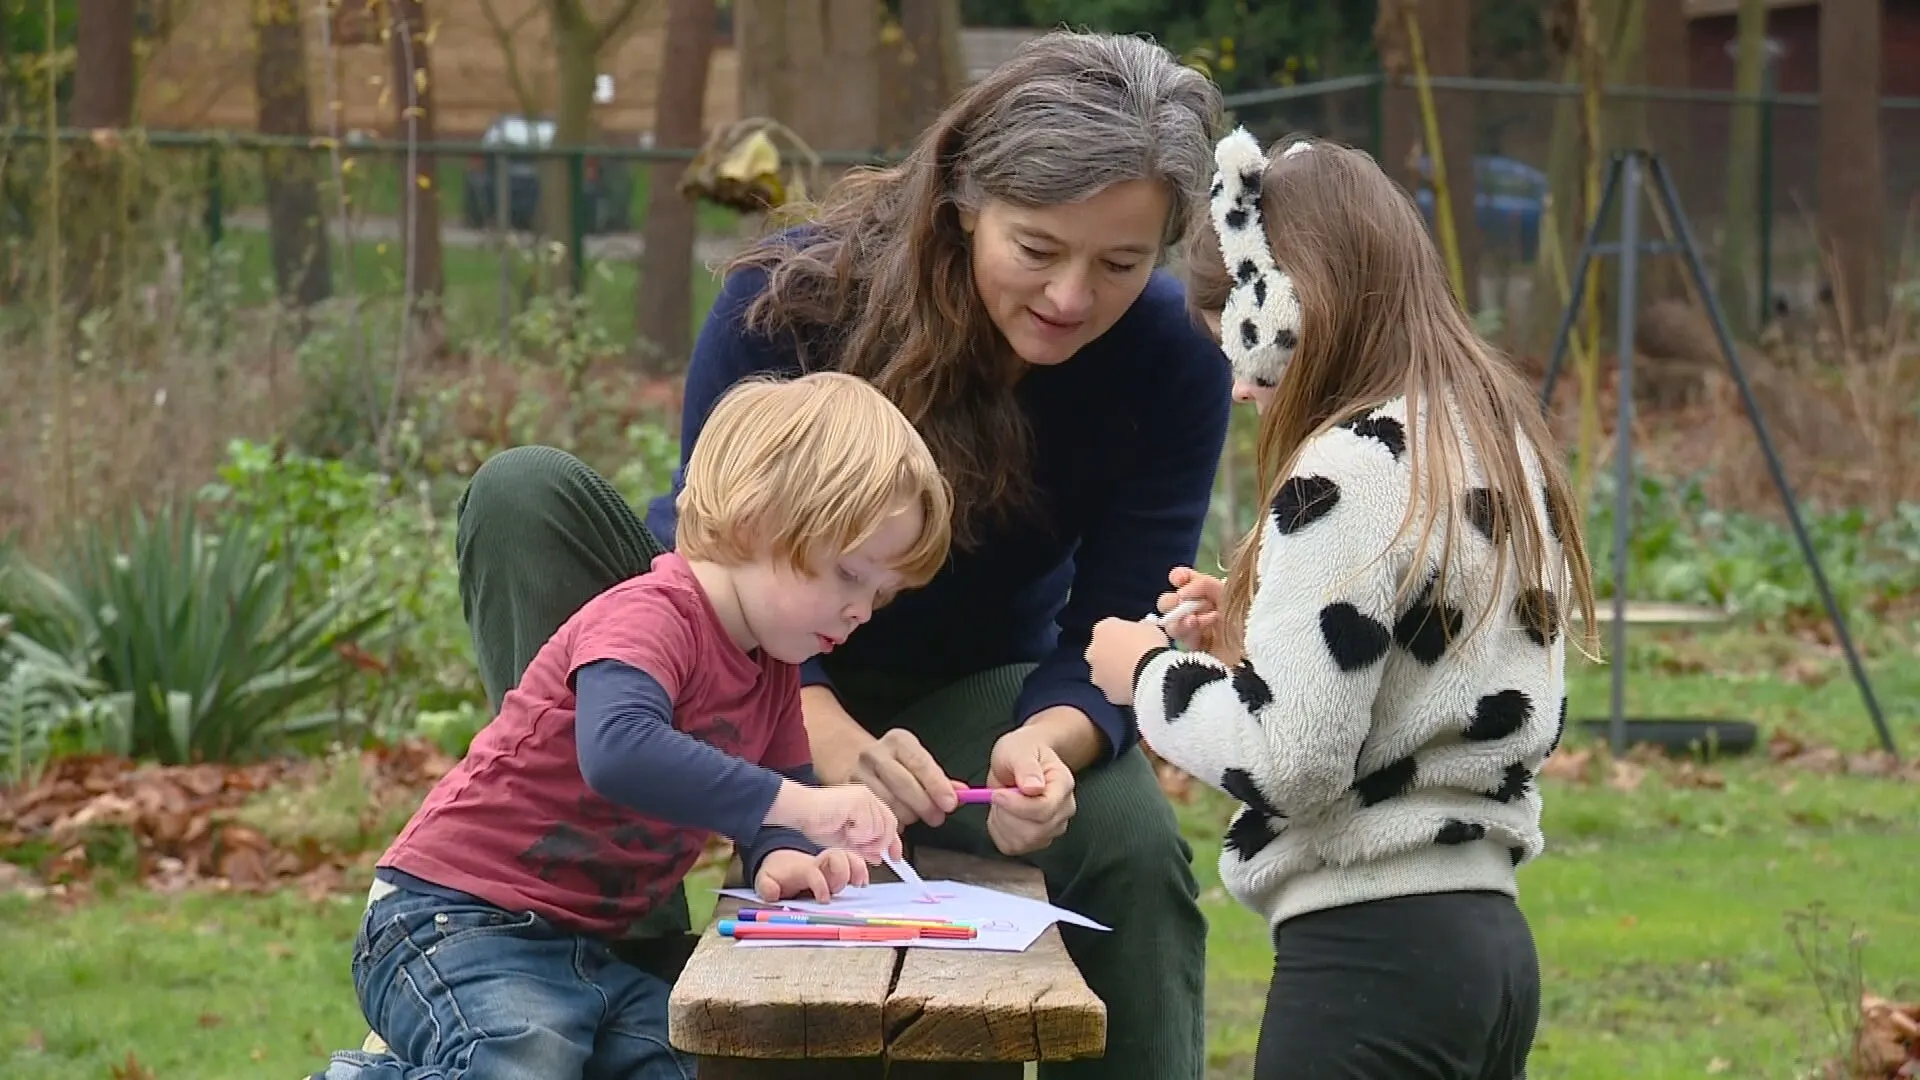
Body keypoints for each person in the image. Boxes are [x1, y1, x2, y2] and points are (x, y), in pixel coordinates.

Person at [453, 30, 1228, 1080]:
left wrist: (1047, 746)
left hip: (962, 695)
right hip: (721, 667)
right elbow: (718, 542)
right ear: (962, 203)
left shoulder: (1174, 365)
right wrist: (825, 742)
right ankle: (600, 932)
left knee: (1130, 834)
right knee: (524, 493)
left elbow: (1118, 627)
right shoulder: (791, 298)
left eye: (1121, 265)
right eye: (1037, 251)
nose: (1071, 299)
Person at [1085, 130, 1601, 1079]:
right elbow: (1423, 672)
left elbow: (1291, 762)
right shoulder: (1485, 438)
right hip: (1487, 949)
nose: (1238, 387)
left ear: (1288, 305)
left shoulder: (1349, 471)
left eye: (1238, 343)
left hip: (1373, 957)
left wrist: (1149, 675)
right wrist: (1252, 635)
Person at [314, 372, 954, 1080]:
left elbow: (778, 803)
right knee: (520, 1061)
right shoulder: (652, 614)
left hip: (580, 950)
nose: (862, 610)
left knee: (679, 1065)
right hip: (452, 919)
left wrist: (790, 854)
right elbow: (618, 750)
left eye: (881, 594)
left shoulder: (774, 667)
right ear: (755, 521)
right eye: (849, 575)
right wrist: (804, 805)